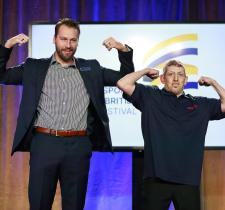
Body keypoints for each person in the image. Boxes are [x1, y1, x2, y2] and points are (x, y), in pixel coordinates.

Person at [0, 18, 134, 210]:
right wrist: (8, 46)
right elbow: (2, 75)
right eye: (63, 39)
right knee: (39, 204)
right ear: (54, 39)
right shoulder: (34, 67)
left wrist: (122, 50)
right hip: (44, 144)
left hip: (78, 146)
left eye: (73, 40)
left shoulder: (91, 68)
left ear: (78, 41)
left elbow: (125, 80)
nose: (68, 45)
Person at [117, 60, 225, 210]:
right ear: (162, 78)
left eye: (180, 75)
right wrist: (144, 71)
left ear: (186, 80)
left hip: (188, 181)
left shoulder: (200, 105)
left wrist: (213, 83)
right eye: (170, 74)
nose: (175, 79)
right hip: (156, 180)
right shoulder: (150, 96)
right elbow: (123, 83)